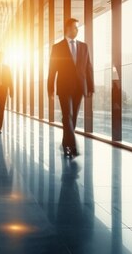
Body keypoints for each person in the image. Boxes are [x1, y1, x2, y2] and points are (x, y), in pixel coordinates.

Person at [47, 18, 94, 158]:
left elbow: (88, 68)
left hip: (80, 88)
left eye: (78, 27)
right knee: (67, 115)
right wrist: (50, 88)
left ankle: (65, 142)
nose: (77, 30)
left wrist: (90, 86)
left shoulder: (84, 47)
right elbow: (52, 69)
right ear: (68, 29)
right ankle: (72, 146)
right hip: (64, 88)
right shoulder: (57, 47)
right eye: (75, 27)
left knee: (72, 118)